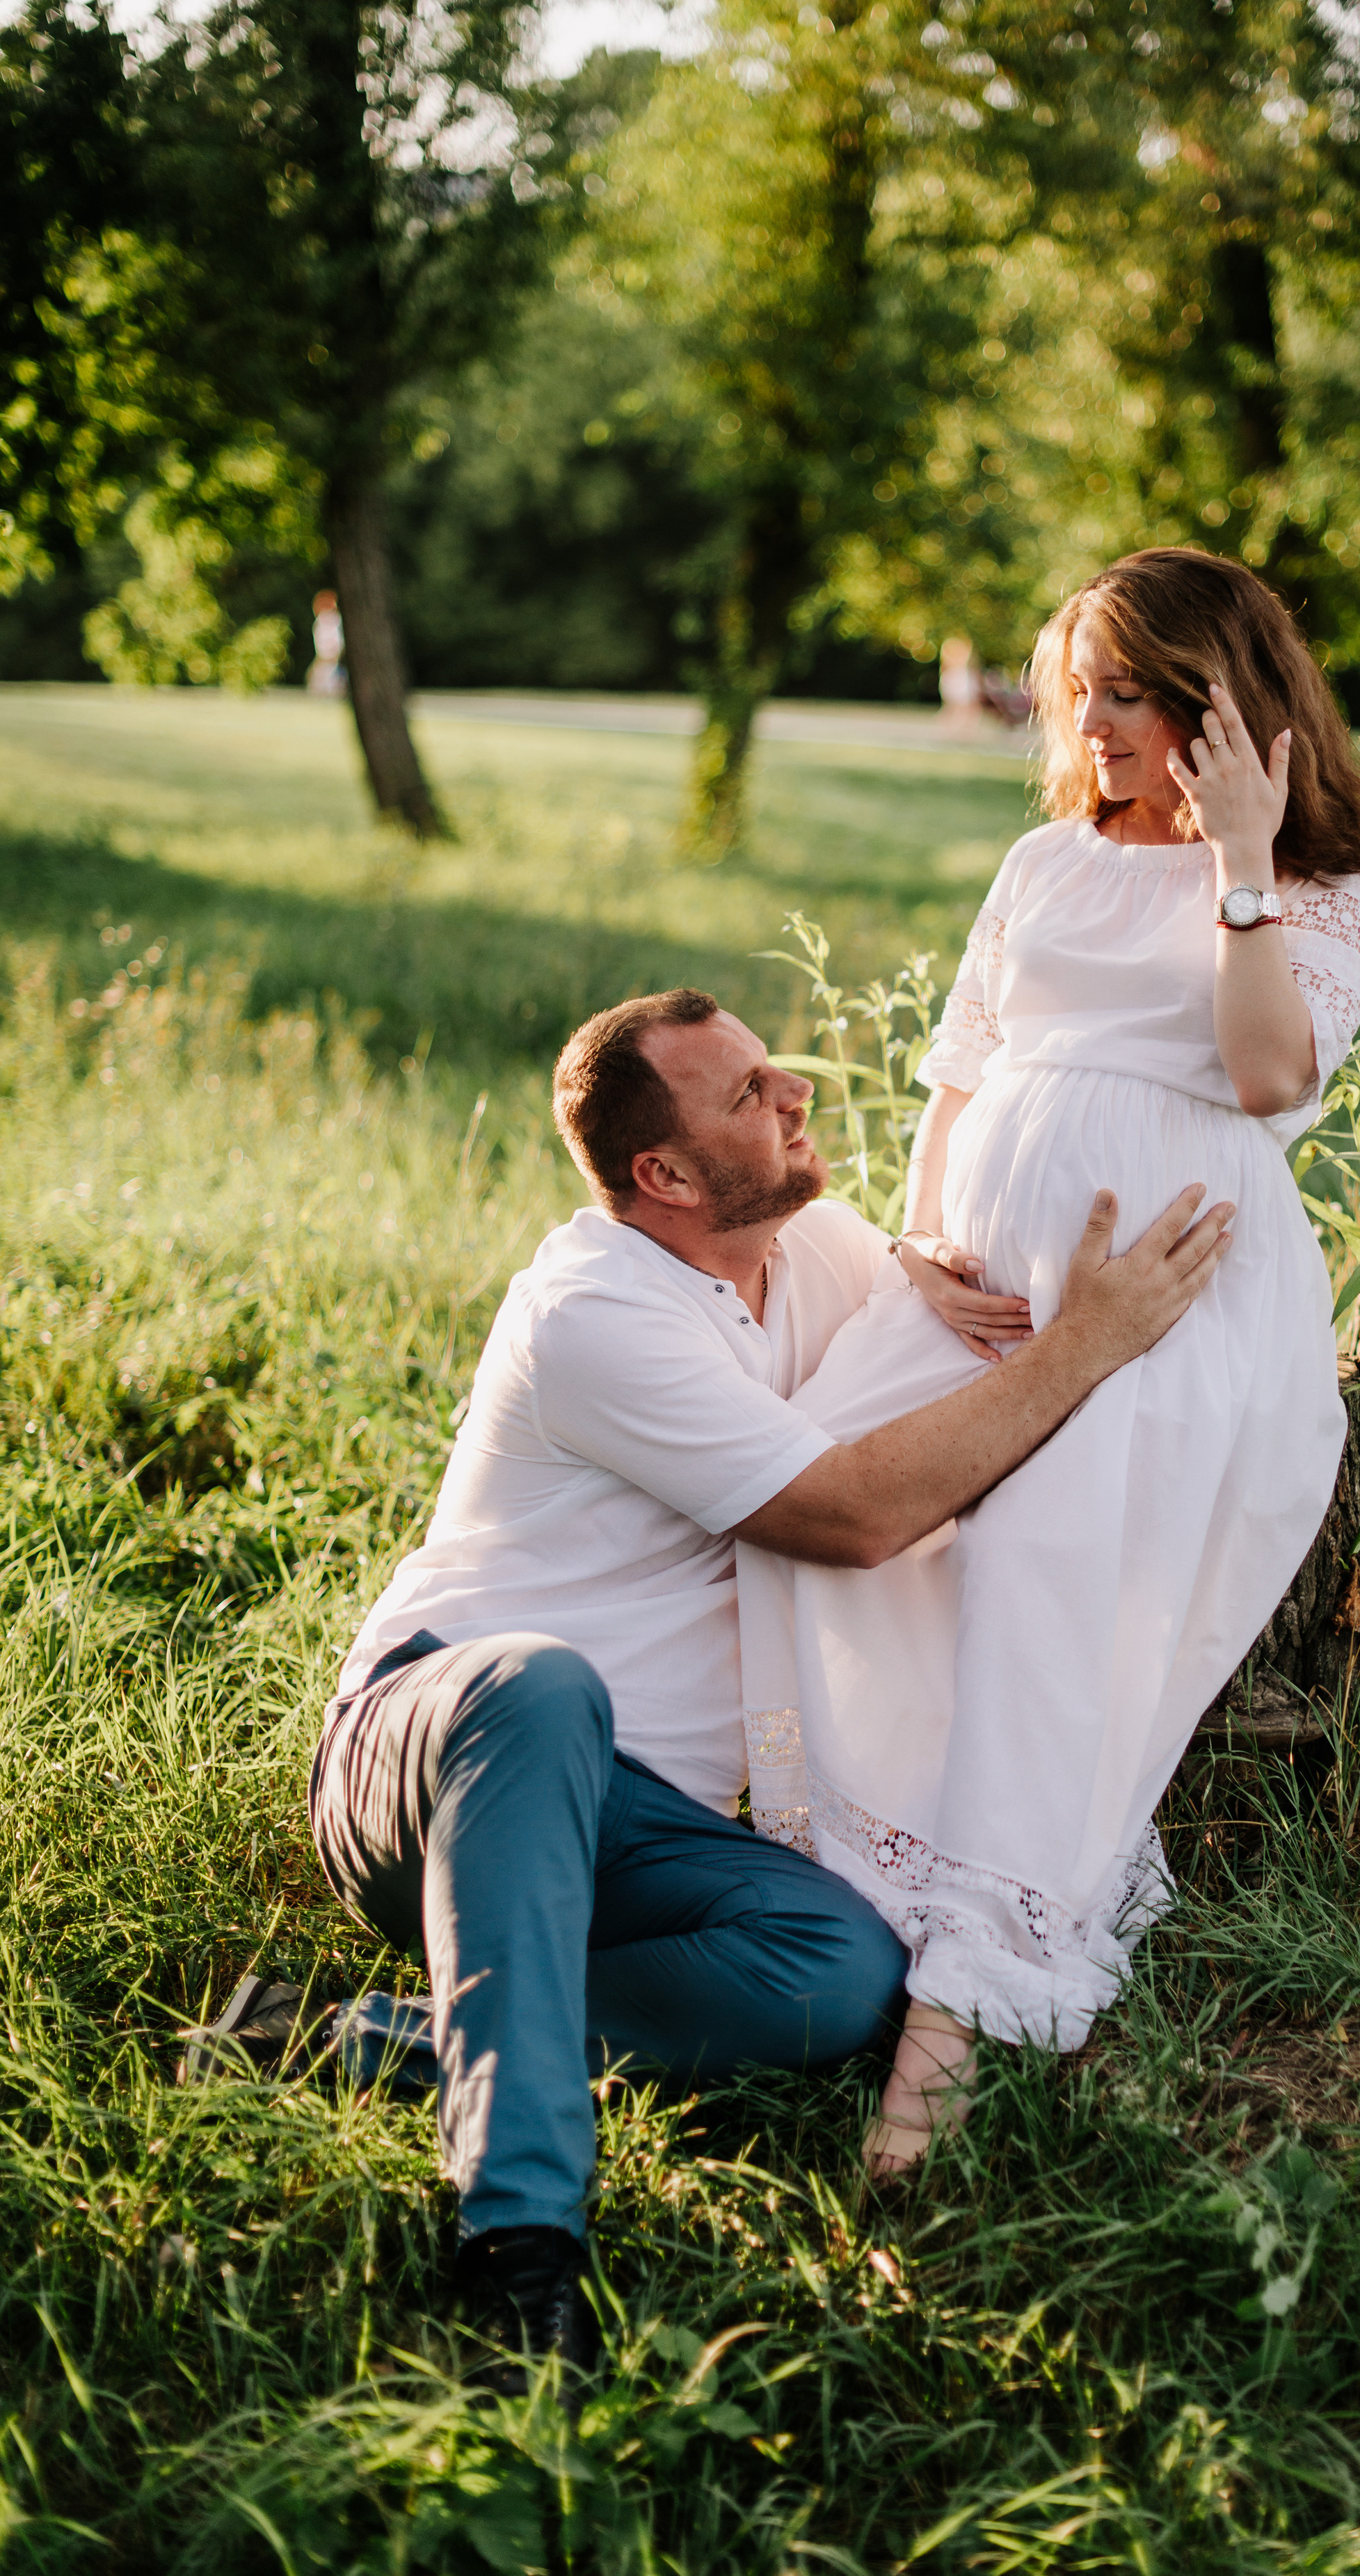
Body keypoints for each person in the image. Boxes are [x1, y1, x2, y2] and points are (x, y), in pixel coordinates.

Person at [301, 985, 1235, 2385]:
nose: (790, 1090)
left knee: (839, 1972)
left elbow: (924, 1314)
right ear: (661, 1177)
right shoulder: (595, 1317)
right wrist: (1079, 1346)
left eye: (768, 1067)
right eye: (744, 1092)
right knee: (548, 1690)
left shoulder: (810, 1256)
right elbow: (850, 1512)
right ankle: (520, 2242)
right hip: (442, 1753)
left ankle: (400, 2040)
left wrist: (943, 1273)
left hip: (642, 1823)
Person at [735, 547, 1360, 2177]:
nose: (1086, 724)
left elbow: (1259, 1079)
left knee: (1037, 1568)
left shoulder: (1312, 893)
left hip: (1171, 1313)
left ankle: (962, 1998)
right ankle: (867, 1879)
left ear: (1216, 704)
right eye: (1076, 692)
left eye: (1123, 693)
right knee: (807, 1494)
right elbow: (966, 1072)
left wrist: (1239, 866)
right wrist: (920, 1243)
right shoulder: (1043, 863)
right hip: (985, 1306)